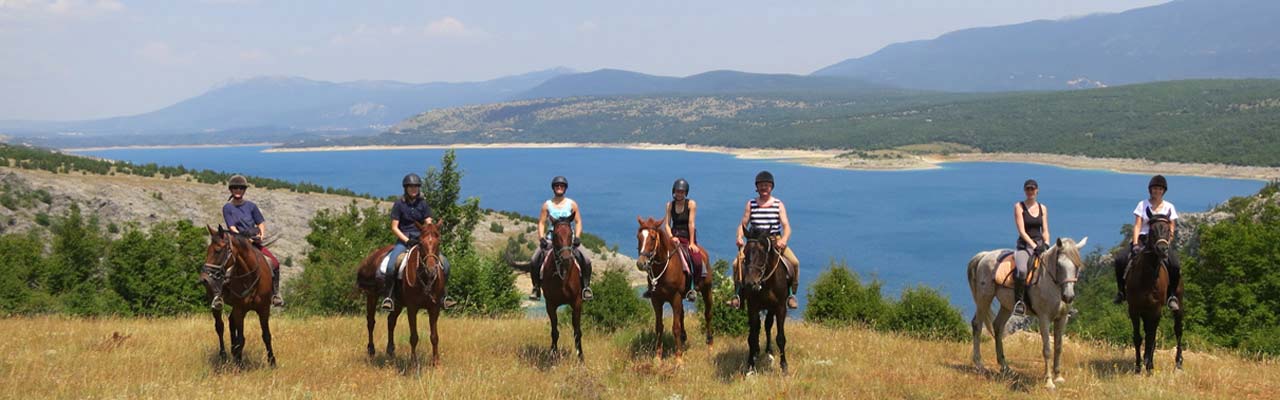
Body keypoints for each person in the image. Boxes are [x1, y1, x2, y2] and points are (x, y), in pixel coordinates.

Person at [730, 171, 801, 310]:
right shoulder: (751, 203)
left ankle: (791, 294)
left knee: (795, 263)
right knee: (735, 264)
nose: (764, 188)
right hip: (755, 242)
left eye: (767, 185)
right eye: (761, 185)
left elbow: (786, 226)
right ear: (757, 187)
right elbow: (743, 224)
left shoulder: (778, 204)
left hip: (774, 240)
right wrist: (739, 237)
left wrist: (784, 239)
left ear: (771, 187)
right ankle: (737, 295)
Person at [382, 173, 454, 310]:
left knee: (445, 264)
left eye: (416, 186)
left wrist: (430, 231)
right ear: (406, 188)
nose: (413, 189)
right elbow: (394, 227)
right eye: (411, 186)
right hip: (404, 241)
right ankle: (389, 297)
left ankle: (444, 296)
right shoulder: (399, 204)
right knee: (391, 265)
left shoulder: (423, 204)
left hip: (423, 240)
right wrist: (407, 240)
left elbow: (428, 222)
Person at [1114, 175, 1181, 311]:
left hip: (1161, 241)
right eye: (1155, 188)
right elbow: (1138, 225)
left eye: (1160, 189)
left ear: (1164, 191)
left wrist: (1167, 242)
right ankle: (1121, 292)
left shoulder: (1169, 207)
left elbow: (1171, 227)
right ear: (1150, 190)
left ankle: (1172, 296)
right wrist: (1135, 244)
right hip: (1144, 239)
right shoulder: (1142, 204)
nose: (1157, 191)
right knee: (1120, 259)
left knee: (1175, 265)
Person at [217, 175, 283, 309]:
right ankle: (219, 296)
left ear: (244, 190)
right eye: (235, 187)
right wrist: (243, 239)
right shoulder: (227, 208)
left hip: (254, 241)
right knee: (223, 266)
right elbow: (232, 227)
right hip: (237, 242)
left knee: (274, 263)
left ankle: (275, 294)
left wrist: (261, 235)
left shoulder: (252, 206)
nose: (238, 190)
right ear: (231, 190)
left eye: (241, 188)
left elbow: (261, 222)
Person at [527, 176, 594, 301]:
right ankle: (536, 288)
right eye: (557, 186)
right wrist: (541, 238)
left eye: (561, 186)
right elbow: (541, 222)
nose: (559, 188)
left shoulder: (572, 204)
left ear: (565, 188)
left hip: (569, 241)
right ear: (553, 188)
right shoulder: (547, 205)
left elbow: (578, 222)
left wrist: (577, 237)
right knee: (534, 260)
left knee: (586, 260)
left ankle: (586, 287)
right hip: (551, 240)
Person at [648, 178, 706, 301]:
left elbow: (691, 223)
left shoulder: (691, 204)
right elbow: (667, 225)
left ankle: (693, 286)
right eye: (677, 191)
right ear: (674, 192)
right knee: (654, 256)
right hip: (674, 236)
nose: (679, 194)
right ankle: (651, 286)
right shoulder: (669, 205)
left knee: (696, 259)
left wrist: (691, 243)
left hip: (687, 236)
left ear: (686, 193)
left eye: (682, 192)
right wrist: (671, 237)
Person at [1012, 179, 1050, 316]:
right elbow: (1021, 231)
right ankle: (1019, 303)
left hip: (1040, 244)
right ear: (1024, 191)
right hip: (1025, 246)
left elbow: (1045, 229)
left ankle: (1061, 302)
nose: (1030, 191)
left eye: (1032, 189)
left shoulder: (1043, 208)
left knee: (1057, 267)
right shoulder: (1019, 206)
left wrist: (1046, 243)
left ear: (1037, 190)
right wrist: (1034, 246)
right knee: (1022, 270)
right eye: (1028, 189)